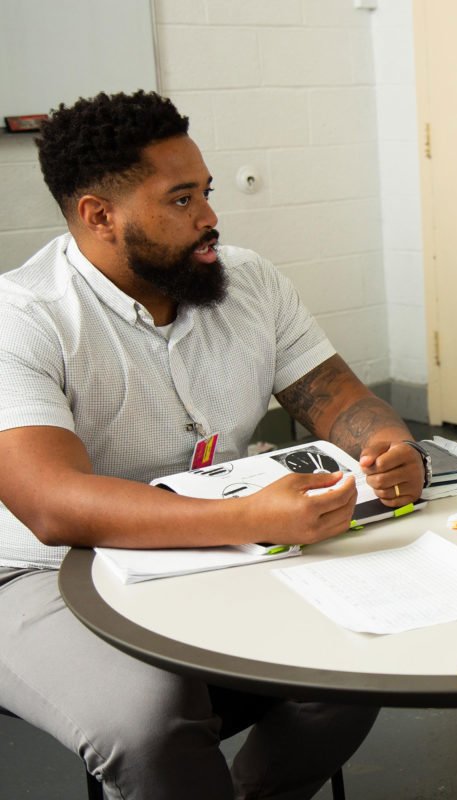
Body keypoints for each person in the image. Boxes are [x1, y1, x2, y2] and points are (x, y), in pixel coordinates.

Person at [0, 91, 428, 798]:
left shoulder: (248, 281)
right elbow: (53, 505)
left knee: (359, 653)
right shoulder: (24, 318)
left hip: (220, 544)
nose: (210, 218)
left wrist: (388, 443)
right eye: (180, 200)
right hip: (40, 572)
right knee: (148, 725)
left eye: (206, 191)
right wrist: (250, 521)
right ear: (98, 216)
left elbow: (338, 397)